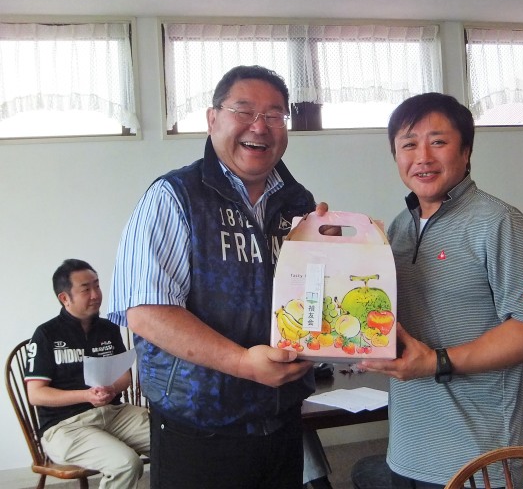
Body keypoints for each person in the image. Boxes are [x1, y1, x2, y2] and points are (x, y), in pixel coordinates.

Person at [108, 65, 325, 489]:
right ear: (212, 119)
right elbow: (146, 312)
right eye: (244, 111)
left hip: (281, 418)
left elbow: (308, 300)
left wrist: (341, 258)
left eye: (274, 115)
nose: (259, 126)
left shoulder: (299, 203)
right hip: (199, 429)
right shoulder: (175, 196)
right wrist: (243, 363)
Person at [358, 92, 523, 488]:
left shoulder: (498, 222)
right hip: (407, 451)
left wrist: (438, 361)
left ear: (466, 152)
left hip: (480, 462)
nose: (423, 157)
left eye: (438, 141)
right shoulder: (398, 227)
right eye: (408, 144)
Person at [25, 259, 150, 489]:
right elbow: (36, 394)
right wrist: (86, 396)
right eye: (86, 289)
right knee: (126, 464)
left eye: (97, 286)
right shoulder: (46, 334)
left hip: (114, 414)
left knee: (173, 439)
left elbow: (124, 376)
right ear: (65, 298)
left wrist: (112, 389)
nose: (95, 295)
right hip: (65, 426)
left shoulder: (108, 329)